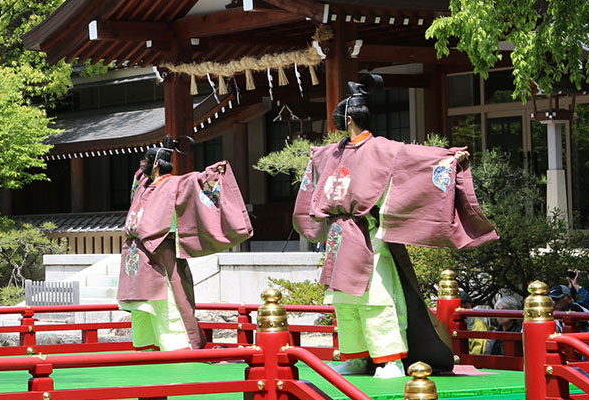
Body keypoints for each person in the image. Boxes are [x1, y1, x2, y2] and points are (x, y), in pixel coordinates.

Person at [294, 75, 497, 377]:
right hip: (339, 237)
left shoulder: (385, 149)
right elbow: (316, 167)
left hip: (369, 234)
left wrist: (449, 156)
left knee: (377, 300)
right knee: (345, 304)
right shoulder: (330, 153)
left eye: (338, 118)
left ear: (348, 119)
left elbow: (418, 158)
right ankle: (357, 357)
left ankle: (388, 359)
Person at [116, 138, 252, 352]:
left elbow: (198, 181)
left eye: (146, 160)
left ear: (157, 164)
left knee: (167, 301)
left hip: (161, 250)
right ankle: (146, 344)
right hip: (136, 252)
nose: (142, 164)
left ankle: (178, 345)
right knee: (142, 304)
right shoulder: (144, 184)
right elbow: (138, 178)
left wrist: (214, 172)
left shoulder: (175, 184)